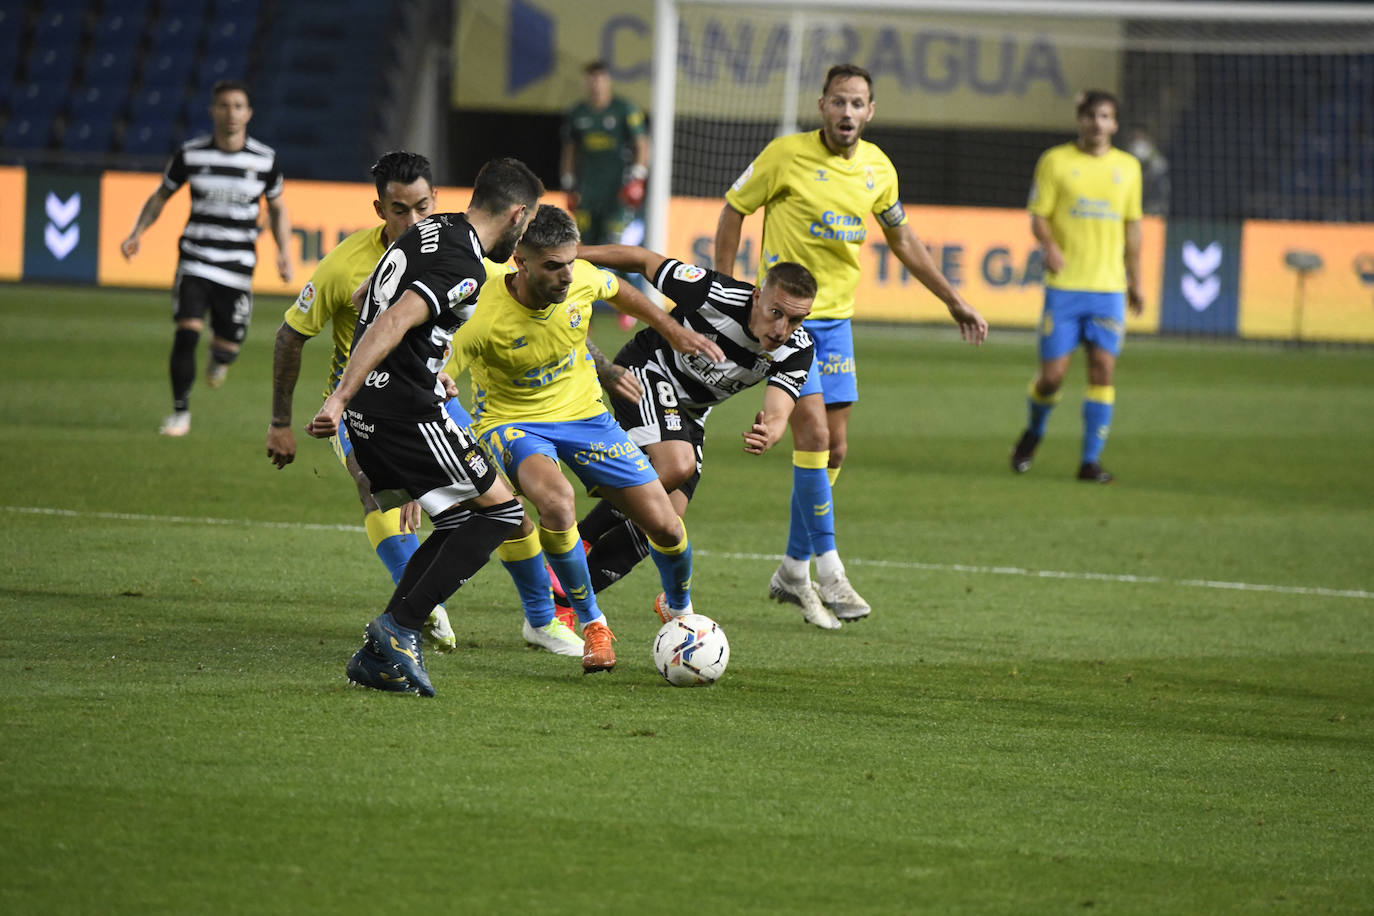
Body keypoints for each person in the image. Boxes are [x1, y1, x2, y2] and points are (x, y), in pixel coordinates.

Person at [714, 63, 987, 627]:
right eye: (838, 101)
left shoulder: (878, 169)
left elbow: (902, 238)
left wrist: (953, 299)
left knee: (833, 449)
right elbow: (734, 210)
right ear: (822, 106)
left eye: (857, 103)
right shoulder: (784, 155)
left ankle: (793, 569)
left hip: (836, 323)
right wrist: (725, 285)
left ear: (870, 111)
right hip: (789, 322)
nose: (847, 112)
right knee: (813, 435)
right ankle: (830, 569)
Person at [304, 157, 545, 698]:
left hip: (385, 405)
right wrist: (339, 397)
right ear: (517, 214)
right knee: (502, 513)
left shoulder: (433, 229)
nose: (522, 236)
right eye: (526, 225)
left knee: (460, 521)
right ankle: (399, 628)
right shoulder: (464, 263)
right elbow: (393, 319)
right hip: (403, 412)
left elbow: (369, 293)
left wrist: (429, 363)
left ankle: (383, 649)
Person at [447, 204, 723, 673]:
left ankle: (679, 608)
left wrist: (673, 332)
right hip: (513, 422)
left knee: (666, 527)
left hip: (586, 416)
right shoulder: (481, 315)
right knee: (557, 501)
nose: (566, 276)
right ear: (520, 261)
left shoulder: (580, 279)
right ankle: (593, 623)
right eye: (553, 266)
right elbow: (440, 373)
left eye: (570, 263)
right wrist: (442, 385)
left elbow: (619, 290)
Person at [265, 150, 466, 651]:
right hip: (361, 403)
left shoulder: (455, 249)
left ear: (436, 199)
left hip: (428, 392)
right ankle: (419, 603)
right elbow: (290, 336)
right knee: (373, 483)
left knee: (502, 499)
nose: (413, 220)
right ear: (380, 210)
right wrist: (280, 422)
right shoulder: (345, 264)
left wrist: (442, 371)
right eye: (400, 210)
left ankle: (547, 617)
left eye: (423, 207)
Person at [564, 244, 827, 626]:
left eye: (796, 320)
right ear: (757, 297)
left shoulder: (797, 349)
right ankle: (579, 539)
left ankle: (566, 597)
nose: (782, 329)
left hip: (690, 413)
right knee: (677, 465)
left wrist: (770, 430)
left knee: (666, 523)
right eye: (776, 313)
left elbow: (779, 410)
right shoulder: (713, 293)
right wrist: (575, 253)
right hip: (645, 371)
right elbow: (643, 260)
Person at [120, 79, 293, 437]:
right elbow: (161, 196)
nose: (231, 113)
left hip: (238, 266)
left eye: (238, 106)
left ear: (249, 113)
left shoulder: (265, 160)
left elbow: (277, 209)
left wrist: (284, 253)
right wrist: (137, 233)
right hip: (195, 259)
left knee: (227, 347)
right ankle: (179, 412)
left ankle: (220, 358)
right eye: (224, 106)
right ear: (212, 111)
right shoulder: (191, 154)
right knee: (186, 333)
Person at [1010, 90, 1144, 483]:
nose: (1097, 123)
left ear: (1114, 124)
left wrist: (1135, 280)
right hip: (1065, 287)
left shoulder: (1128, 168)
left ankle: (1090, 462)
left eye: (1105, 116)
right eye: (1090, 116)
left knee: (1103, 370)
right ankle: (1033, 432)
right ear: (1080, 120)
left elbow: (1133, 227)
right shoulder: (1056, 161)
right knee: (1052, 377)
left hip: (1108, 290)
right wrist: (1049, 246)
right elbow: (1038, 215)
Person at [559, 60, 649, 332]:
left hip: (617, 195)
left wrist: (638, 177)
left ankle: (628, 306)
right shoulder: (578, 113)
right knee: (584, 250)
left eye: (600, 78)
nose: (595, 84)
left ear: (608, 81)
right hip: (587, 194)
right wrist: (568, 182)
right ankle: (582, 308)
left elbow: (642, 144)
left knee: (615, 246)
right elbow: (570, 150)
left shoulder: (624, 110)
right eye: (591, 79)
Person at [1127, 125, 1169, 217]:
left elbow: (1160, 170)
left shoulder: (1156, 157)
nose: (1137, 141)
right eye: (1135, 137)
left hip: (1153, 201)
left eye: (1140, 136)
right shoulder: (1127, 157)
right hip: (1135, 200)